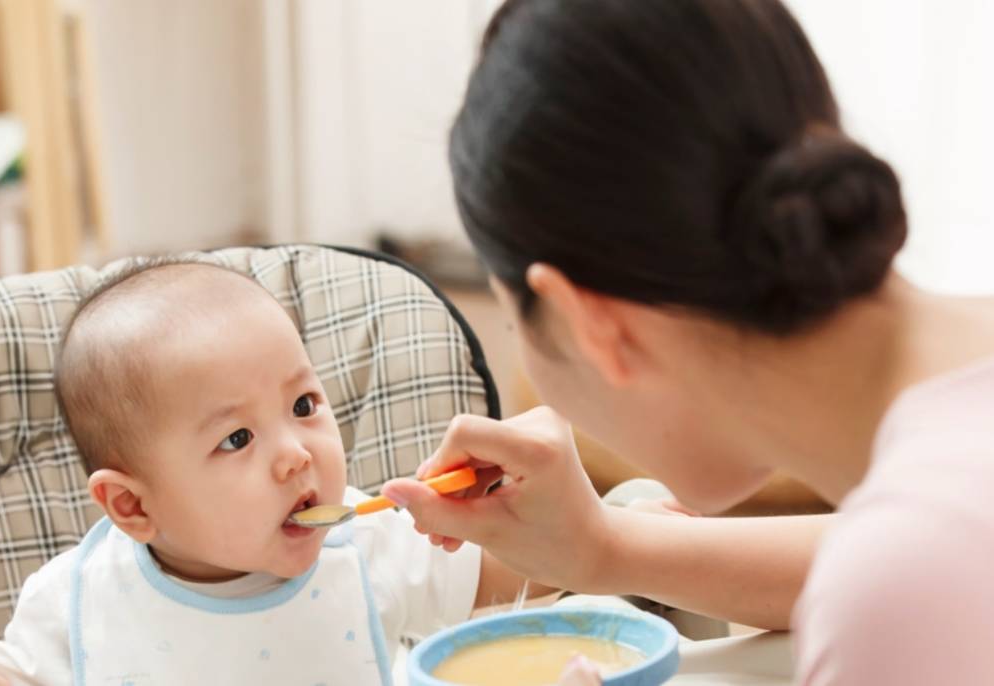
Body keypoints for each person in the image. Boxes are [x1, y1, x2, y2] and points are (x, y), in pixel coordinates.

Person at [381, 0, 994, 683]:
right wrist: (604, 548)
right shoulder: (936, 507)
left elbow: (905, 578)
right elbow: (889, 551)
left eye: (510, 320)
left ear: (588, 321)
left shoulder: (905, 591)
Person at [0, 259, 546, 686]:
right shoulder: (78, 603)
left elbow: (530, 563)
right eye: (236, 438)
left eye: (304, 405)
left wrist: (616, 528)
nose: (296, 453)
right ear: (133, 507)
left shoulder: (364, 545)